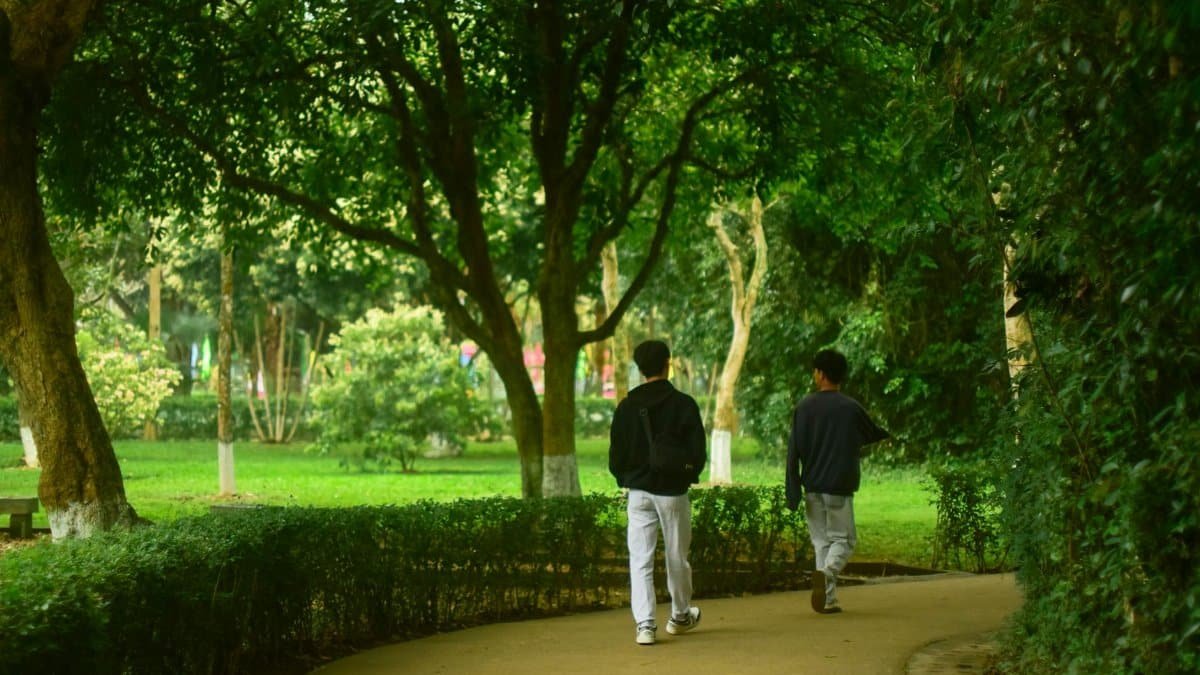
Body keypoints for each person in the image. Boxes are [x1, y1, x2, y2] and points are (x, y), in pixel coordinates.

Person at [609, 340, 707, 646]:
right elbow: (698, 452)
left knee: (640, 559)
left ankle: (646, 626)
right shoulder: (684, 404)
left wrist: (628, 478)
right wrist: (687, 475)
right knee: (677, 556)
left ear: (639, 368)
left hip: (638, 492)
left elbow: (616, 457)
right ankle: (679, 616)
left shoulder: (626, 406)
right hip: (673, 493)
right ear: (668, 363)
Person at [786, 349, 889, 614]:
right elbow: (872, 432)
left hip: (812, 488)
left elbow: (793, 451)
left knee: (822, 543)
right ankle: (828, 575)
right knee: (845, 540)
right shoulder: (850, 408)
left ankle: (828, 600)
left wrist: (793, 488)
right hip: (839, 487)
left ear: (820, 374)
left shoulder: (804, 407)